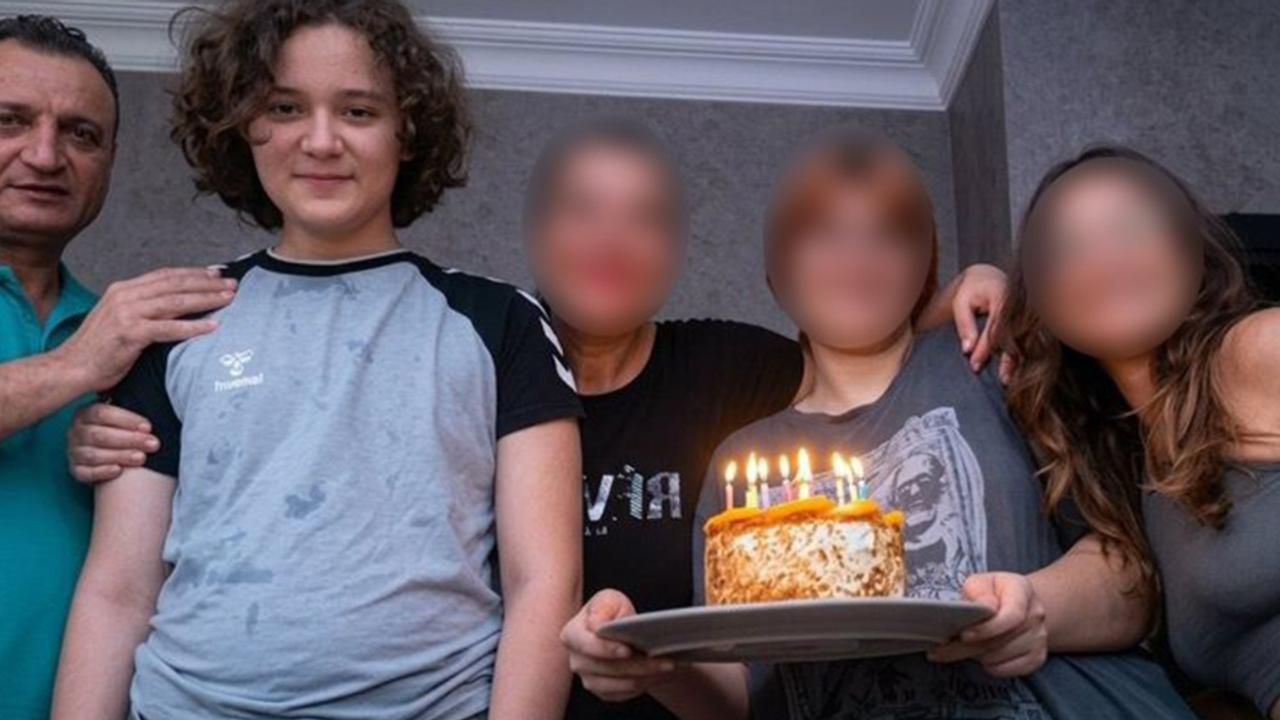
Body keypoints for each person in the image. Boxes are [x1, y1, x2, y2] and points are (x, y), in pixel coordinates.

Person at [69, 115, 1009, 720]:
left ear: (676, 248)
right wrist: (102, 419)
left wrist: (954, 297)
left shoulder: (732, 368)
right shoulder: (466, 359)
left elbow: (852, 344)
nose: (611, 241)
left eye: (645, 217)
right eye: (581, 211)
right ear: (537, 233)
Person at [50, 2, 583, 719]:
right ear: (242, 125)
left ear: (406, 132)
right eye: (286, 108)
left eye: (358, 111)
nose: (321, 141)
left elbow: (543, 583)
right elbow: (118, 591)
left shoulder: (501, 321)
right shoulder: (174, 320)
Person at [562, 128, 1197, 720]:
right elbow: (742, 696)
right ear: (777, 272)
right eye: (824, 233)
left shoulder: (991, 361)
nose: (856, 257)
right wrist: (652, 664)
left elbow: (1135, 574)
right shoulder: (738, 464)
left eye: (889, 234)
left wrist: (1036, 608)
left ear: (926, 265)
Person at [0, 15, 233, 720]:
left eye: (81, 134)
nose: (46, 155)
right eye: (10, 121)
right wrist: (74, 367)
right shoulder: (102, 345)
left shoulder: (126, 334)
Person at [997, 146, 1280, 720]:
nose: (1105, 260)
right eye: (1067, 248)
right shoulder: (1138, 467)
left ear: (1191, 246)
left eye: (1132, 227)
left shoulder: (1255, 351)